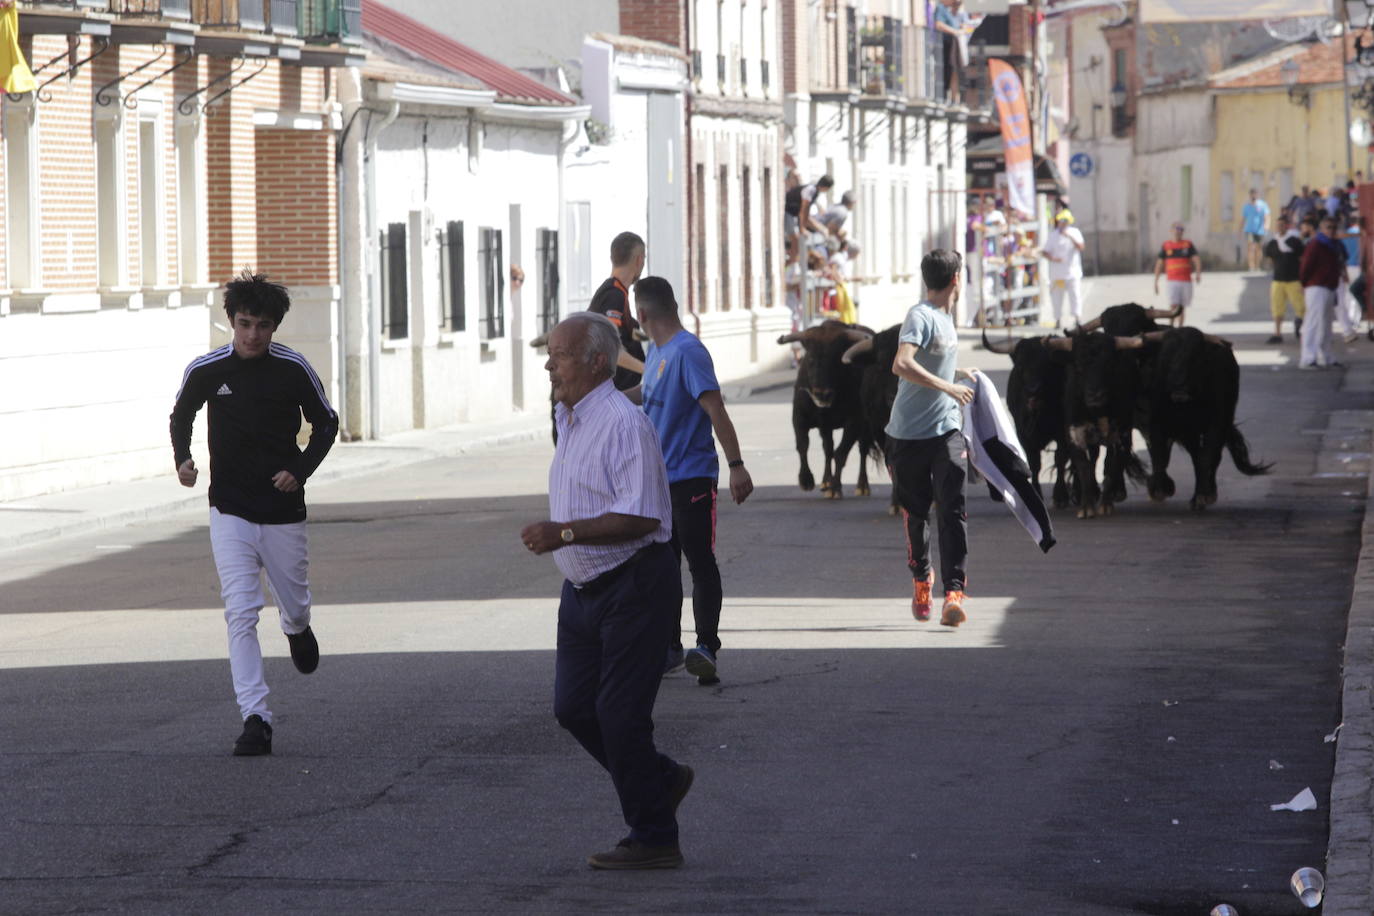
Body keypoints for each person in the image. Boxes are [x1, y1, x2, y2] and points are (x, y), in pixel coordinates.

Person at [519, 312, 693, 870]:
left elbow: (641, 518)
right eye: (550, 352)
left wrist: (562, 533)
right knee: (574, 709)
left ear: (597, 362)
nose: (549, 363)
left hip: (635, 585)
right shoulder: (567, 415)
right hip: (583, 591)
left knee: (620, 716)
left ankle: (655, 836)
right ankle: (660, 778)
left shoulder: (624, 423)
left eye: (561, 354)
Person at [168, 272, 338, 756]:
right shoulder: (208, 369)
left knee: (295, 599)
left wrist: (299, 470)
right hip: (230, 510)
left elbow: (326, 423)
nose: (252, 335)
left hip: (282, 510)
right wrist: (182, 458)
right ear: (231, 322)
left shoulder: (292, 368)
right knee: (240, 611)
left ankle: (297, 627)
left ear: (274, 327)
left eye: (263, 326)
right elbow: (182, 414)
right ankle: (256, 718)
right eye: (244, 324)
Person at [624, 277, 754, 684]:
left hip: (692, 478)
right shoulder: (657, 350)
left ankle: (707, 647)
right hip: (658, 481)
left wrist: (736, 465)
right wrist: (599, 396)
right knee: (663, 568)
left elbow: (715, 408)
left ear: (642, 314)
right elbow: (647, 393)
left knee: (699, 562)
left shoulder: (689, 351)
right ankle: (669, 647)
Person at [886, 249, 977, 627]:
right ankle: (922, 579)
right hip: (907, 435)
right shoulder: (920, 315)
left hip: (946, 431)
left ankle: (954, 594)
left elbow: (932, 360)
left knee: (952, 509)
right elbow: (902, 363)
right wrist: (949, 387)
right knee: (917, 515)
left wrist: (956, 373)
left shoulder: (945, 316)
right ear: (957, 279)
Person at [589, 231, 650, 391]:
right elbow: (611, 349)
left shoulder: (617, 293)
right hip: (606, 396)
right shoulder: (613, 296)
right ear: (639, 260)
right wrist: (649, 370)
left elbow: (622, 332)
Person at [1298, 214, 1349, 369]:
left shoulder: (1334, 245)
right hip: (1316, 286)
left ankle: (1327, 356)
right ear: (1322, 228)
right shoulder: (1316, 244)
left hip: (1329, 286)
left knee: (1326, 325)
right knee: (1312, 322)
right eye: (1329, 227)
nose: (1332, 230)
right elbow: (1306, 265)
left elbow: (1340, 262)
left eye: (1334, 227)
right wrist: (1303, 282)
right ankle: (1308, 358)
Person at [1263, 213, 1305, 344]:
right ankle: (1277, 333)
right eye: (1278, 225)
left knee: (1301, 307)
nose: (1280, 227)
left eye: (1282, 225)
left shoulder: (1295, 241)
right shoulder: (1272, 243)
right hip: (1278, 280)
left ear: (1287, 226)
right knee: (1277, 307)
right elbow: (1269, 260)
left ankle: (1301, 327)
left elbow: (1302, 259)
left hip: (1294, 279)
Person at [1040, 212, 1085, 328]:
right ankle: (1058, 319)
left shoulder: (1075, 232)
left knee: (1075, 296)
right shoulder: (1053, 235)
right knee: (1056, 298)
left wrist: (1069, 236)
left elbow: (1081, 247)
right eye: (1061, 221)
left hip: (1073, 272)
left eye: (1065, 221)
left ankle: (1077, 318)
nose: (1063, 223)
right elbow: (1045, 251)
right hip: (1057, 274)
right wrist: (1053, 259)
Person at [1153, 222, 1201, 326]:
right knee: (1173, 306)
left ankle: (1180, 328)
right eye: (1177, 228)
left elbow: (1196, 259)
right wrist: (1155, 282)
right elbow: (1159, 264)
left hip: (1185, 281)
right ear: (1171, 230)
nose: (1179, 231)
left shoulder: (1187, 244)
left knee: (1181, 307)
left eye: (1181, 229)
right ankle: (1170, 326)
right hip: (1172, 281)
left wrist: (1198, 273)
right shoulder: (1166, 245)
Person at [785, 174, 834, 242]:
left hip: (791, 213)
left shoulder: (814, 191)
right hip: (787, 211)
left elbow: (806, 215)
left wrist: (822, 229)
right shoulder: (811, 190)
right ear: (827, 188)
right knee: (794, 240)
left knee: (796, 241)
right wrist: (802, 229)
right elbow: (803, 210)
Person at [1241, 188, 1270, 272]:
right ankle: (1251, 266)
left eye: (1255, 194)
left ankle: (1257, 266)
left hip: (1260, 230)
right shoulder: (1246, 206)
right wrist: (1240, 230)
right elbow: (1243, 219)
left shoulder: (1263, 205)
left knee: (1258, 248)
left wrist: (1266, 226)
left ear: (1257, 195)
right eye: (1252, 194)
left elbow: (1267, 216)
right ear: (1250, 195)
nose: (1253, 196)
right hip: (1249, 230)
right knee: (1250, 248)